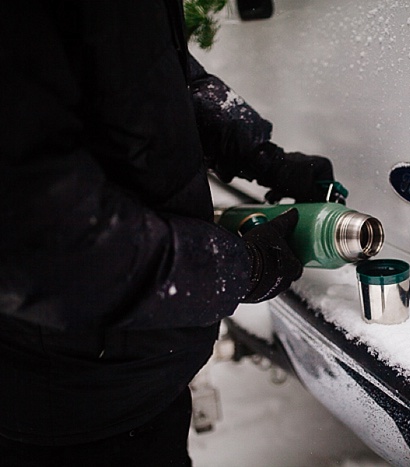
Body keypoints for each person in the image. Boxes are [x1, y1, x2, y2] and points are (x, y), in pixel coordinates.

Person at [0, 1, 334, 465]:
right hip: (69, 412)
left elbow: (149, 72)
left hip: (140, 379)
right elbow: (45, 238)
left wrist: (256, 153)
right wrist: (238, 269)